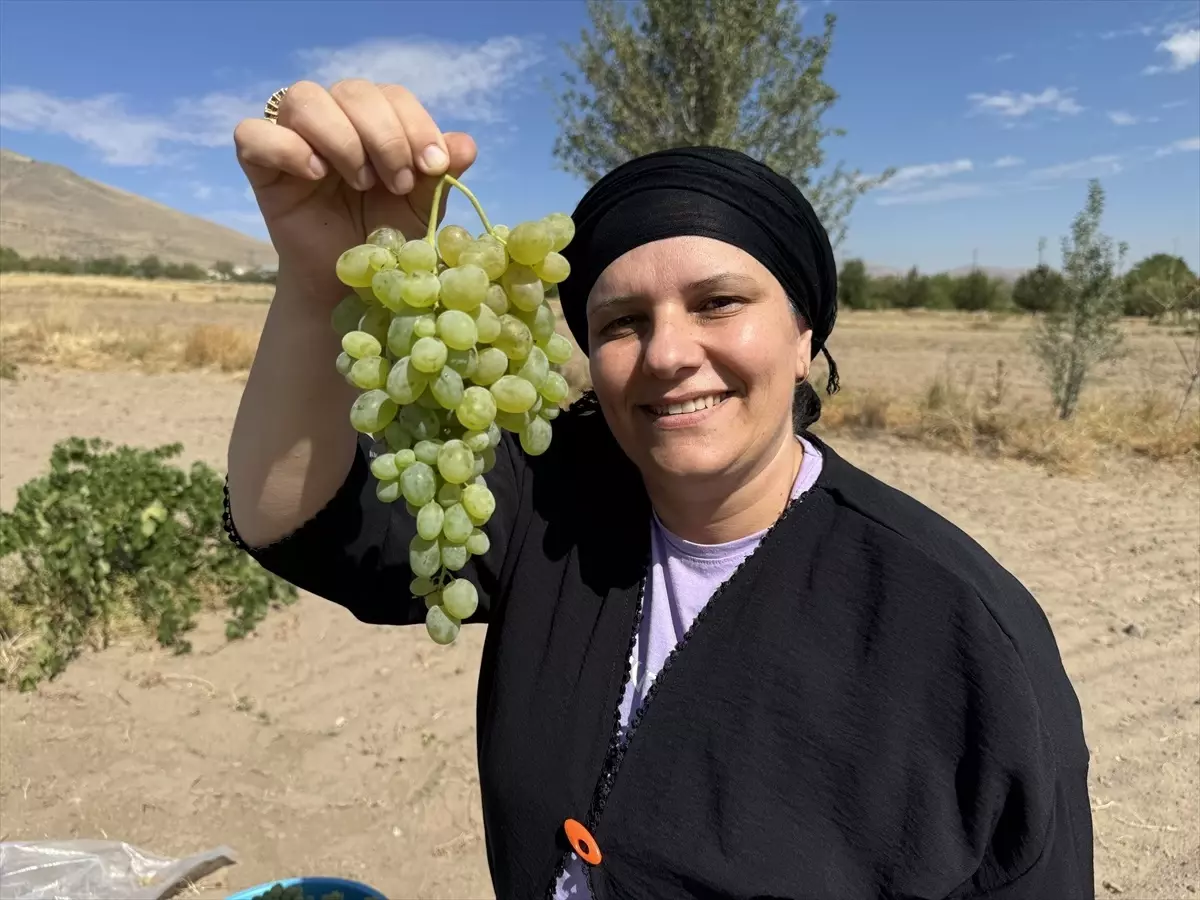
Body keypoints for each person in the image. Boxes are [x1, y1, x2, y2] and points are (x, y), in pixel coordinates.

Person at [226, 80, 1096, 900]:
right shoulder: (553, 503)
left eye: (718, 302)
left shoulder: (960, 633)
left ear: (804, 337)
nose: (669, 353)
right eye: (622, 322)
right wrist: (314, 279)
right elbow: (296, 520)